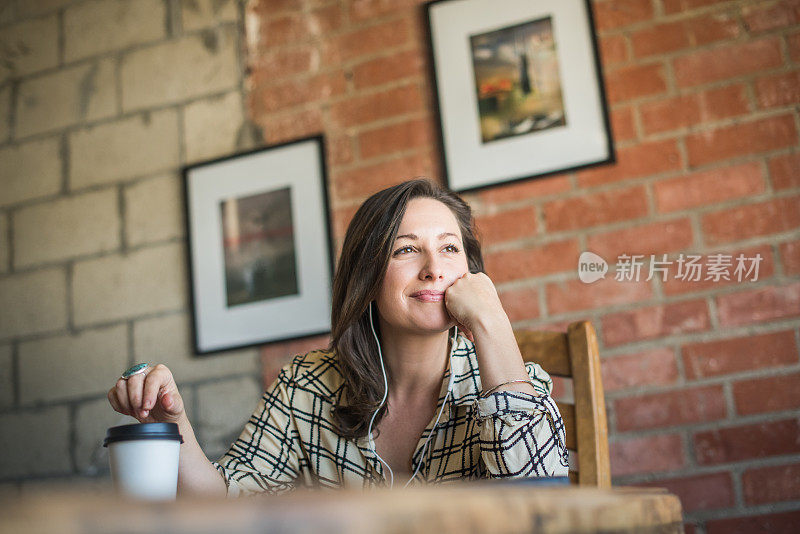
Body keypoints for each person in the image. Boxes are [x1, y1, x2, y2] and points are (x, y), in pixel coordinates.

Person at [108, 179, 569, 496]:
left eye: (451, 248)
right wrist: (175, 424)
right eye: (406, 249)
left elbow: (543, 505)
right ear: (367, 275)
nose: (434, 267)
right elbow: (226, 505)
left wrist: (492, 321)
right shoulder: (305, 386)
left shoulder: (514, 385)